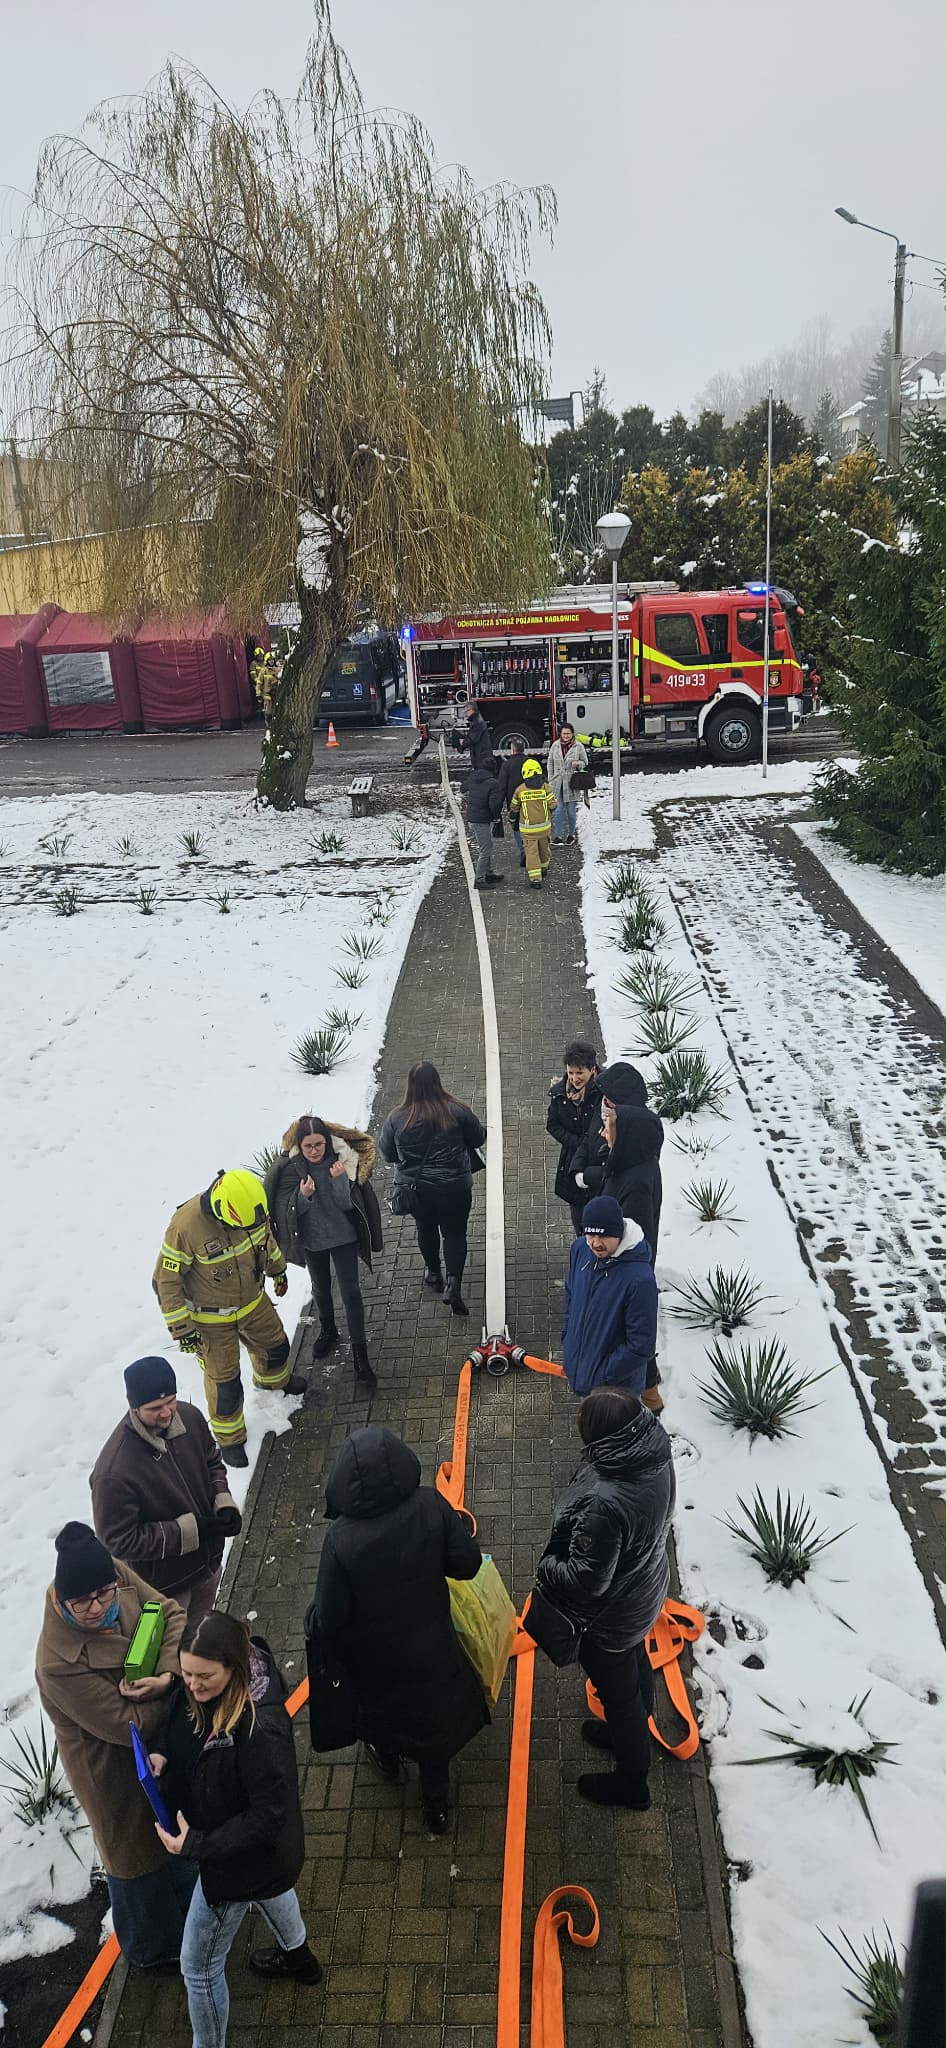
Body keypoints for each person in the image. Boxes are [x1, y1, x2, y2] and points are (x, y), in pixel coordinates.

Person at [151, 1611, 321, 2047]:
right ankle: (299, 1959)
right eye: (186, 1673)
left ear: (234, 1668)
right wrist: (163, 1752)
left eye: (204, 1677)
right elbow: (181, 1715)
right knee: (272, 1890)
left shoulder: (261, 1732)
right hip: (257, 1861)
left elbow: (268, 1817)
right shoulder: (206, 1688)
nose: (192, 1685)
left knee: (198, 1967)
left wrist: (196, 1844)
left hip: (237, 1863)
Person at [310, 1427, 486, 1832]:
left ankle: (387, 1759)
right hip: (432, 1646)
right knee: (432, 1725)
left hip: (374, 1660)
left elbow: (330, 1618)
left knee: (381, 1715)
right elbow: (468, 1564)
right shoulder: (430, 1504)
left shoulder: (340, 1539)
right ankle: (436, 1806)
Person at [35, 1522, 193, 1969]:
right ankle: (149, 1952)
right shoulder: (56, 1663)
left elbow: (170, 1613)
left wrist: (167, 1675)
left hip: (159, 1746)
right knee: (135, 1861)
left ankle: (188, 1918)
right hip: (111, 1770)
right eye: (82, 1602)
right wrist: (174, 1690)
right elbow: (130, 1725)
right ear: (61, 1600)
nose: (97, 1607)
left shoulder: (113, 1573)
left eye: (104, 1595)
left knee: (175, 1835)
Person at [531, 1386, 675, 1808]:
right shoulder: (654, 1453)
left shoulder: (605, 1503)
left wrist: (547, 1566)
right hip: (645, 1590)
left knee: (619, 1695)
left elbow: (586, 1580)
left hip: (612, 1617)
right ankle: (628, 1729)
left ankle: (632, 1783)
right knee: (634, 1663)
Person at [153, 1169, 303, 1470]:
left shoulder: (250, 1209)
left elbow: (266, 1241)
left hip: (252, 1303)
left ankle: (272, 1384)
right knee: (226, 1385)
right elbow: (166, 1281)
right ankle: (230, 1438)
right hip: (211, 1320)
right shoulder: (186, 1226)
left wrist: (278, 1271)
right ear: (222, 1211)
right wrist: (182, 1329)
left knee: (276, 1348)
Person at [90, 1357, 241, 1628]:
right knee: (173, 1646)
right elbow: (118, 1540)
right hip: (165, 1589)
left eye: (171, 1401)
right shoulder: (114, 1471)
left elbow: (211, 1460)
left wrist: (223, 1501)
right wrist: (189, 1532)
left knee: (199, 1633)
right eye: (154, 1408)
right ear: (134, 1407)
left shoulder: (190, 1417)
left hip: (207, 1567)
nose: (167, 1412)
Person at [265, 1114, 383, 1392]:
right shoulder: (292, 1168)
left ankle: (360, 1355)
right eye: (308, 1146)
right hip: (312, 1241)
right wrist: (303, 1196)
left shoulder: (341, 1160)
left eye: (319, 1144)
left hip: (343, 1236)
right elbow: (288, 1212)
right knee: (320, 1287)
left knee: (351, 1293)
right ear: (299, 1145)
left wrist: (339, 1180)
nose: (314, 1151)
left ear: (327, 1142)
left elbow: (346, 1204)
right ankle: (328, 1328)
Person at [379, 1062, 486, 1316]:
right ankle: (453, 1283)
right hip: (455, 1188)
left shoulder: (396, 1118)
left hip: (417, 1191)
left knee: (425, 1228)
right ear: (438, 1083)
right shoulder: (458, 1111)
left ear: (410, 1086)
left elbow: (388, 1154)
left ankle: (434, 1273)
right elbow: (478, 1138)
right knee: (455, 1234)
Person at [561, 1196, 657, 1398]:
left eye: (603, 1236)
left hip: (615, 1394)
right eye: (590, 1234)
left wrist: (602, 1377)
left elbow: (641, 1346)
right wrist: (568, 1339)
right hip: (584, 1377)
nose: (595, 1243)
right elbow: (571, 1294)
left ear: (618, 1233)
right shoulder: (580, 1249)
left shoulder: (640, 1280)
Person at [571, 1061, 664, 1260]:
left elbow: (631, 1244)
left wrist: (588, 1175)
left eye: (607, 1128)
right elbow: (589, 1140)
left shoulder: (637, 1182)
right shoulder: (612, 1116)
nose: (602, 1132)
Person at [546, 1041, 604, 1236]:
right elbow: (553, 1125)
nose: (574, 1078)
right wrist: (577, 1144)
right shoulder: (560, 1094)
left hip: (598, 1160)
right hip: (573, 1162)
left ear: (592, 1069)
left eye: (580, 1073)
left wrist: (590, 1145)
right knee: (579, 1222)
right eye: (570, 1072)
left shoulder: (604, 1093)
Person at [508, 757, 555, 887]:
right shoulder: (546, 787)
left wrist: (511, 819)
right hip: (544, 827)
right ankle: (544, 868)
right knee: (544, 849)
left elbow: (514, 808)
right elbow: (553, 805)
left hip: (528, 829)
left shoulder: (520, 790)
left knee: (531, 853)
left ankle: (536, 879)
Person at [465, 761, 505, 890]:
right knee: (485, 849)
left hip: (472, 818)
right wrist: (496, 816)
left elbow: (462, 788)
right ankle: (479, 879)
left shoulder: (473, 778)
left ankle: (489, 873)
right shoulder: (493, 783)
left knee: (487, 846)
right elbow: (494, 804)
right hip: (481, 820)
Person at [547, 724, 588, 845]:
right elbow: (550, 762)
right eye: (564, 733)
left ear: (572, 734)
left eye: (568, 734)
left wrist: (578, 764)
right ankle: (558, 836)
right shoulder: (555, 745)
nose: (566, 736)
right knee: (558, 810)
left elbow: (585, 762)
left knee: (571, 811)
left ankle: (571, 835)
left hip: (571, 783)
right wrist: (551, 778)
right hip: (557, 783)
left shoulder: (578, 746)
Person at [496, 742, 527, 867]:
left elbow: (502, 786)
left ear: (512, 750)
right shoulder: (531, 762)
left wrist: (499, 805)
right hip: (531, 799)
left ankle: (523, 850)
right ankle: (532, 849)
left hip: (514, 801)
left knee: (516, 826)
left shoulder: (507, 765)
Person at [457, 696, 496, 773]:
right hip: (482, 755)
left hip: (481, 756)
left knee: (482, 774)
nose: (465, 714)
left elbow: (472, 739)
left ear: (471, 710)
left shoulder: (477, 722)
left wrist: (463, 742)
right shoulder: (477, 720)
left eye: (466, 711)